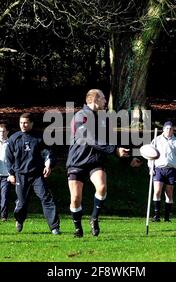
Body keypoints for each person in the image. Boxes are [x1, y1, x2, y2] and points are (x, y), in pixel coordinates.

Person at [66, 89, 129, 238]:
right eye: (103, 99)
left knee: (101, 187)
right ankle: (77, 228)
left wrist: (127, 156)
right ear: (95, 99)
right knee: (75, 198)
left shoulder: (104, 118)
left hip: (95, 161)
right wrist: (114, 151)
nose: (106, 102)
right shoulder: (79, 117)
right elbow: (90, 140)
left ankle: (94, 218)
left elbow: (110, 140)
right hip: (77, 161)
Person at [6, 113, 61, 235]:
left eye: (25, 123)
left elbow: (48, 152)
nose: (23, 125)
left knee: (46, 198)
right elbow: (8, 158)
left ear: (31, 123)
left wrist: (48, 165)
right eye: (21, 123)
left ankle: (54, 227)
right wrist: (11, 173)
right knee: (22, 202)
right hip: (21, 175)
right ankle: (19, 219)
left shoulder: (40, 137)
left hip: (37, 175)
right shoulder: (14, 138)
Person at [148, 121, 176, 222]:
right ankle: (156, 215)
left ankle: (167, 217)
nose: (169, 130)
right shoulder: (156, 140)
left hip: (171, 170)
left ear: (173, 130)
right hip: (159, 169)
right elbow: (150, 154)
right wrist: (151, 168)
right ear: (163, 129)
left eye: (170, 129)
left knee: (169, 193)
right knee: (157, 191)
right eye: (167, 128)